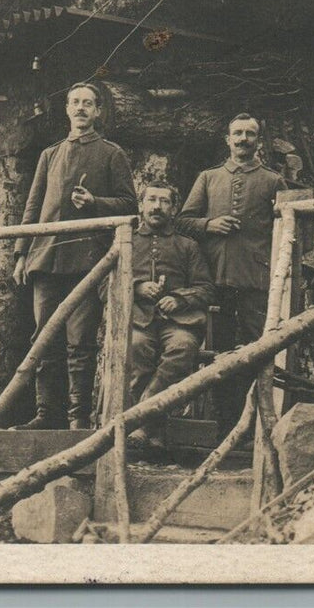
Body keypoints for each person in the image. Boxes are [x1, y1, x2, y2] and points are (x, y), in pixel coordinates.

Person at [13, 81, 136, 430]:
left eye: (87, 103)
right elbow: (33, 206)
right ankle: (45, 414)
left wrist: (95, 202)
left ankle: (77, 418)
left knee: (79, 343)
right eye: (75, 103)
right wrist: (22, 253)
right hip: (46, 259)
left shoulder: (112, 154)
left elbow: (130, 205)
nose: (80, 108)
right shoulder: (49, 154)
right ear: (67, 109)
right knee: (43, 339)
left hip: (87, 263)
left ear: (98, 111)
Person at [176, 113, 286, 429]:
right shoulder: (209, 178)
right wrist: (210, 224)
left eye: (249, 134)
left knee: (257, 349)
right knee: (218, 352)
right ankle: (223, 425)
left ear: (258, 141)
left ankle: (256, 425)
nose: (242, 139)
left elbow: (287, 230)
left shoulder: (272, 180)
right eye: (237, 133)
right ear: (227, 139)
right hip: (215, 279)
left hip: (256, 280)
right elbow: (183, 221)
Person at [126, 180, 214, 458]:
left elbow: (206, 288)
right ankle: (156, 432)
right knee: (138, 347)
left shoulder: (187, 246)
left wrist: (179, 299)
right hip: (138, 319)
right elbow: (105, 286)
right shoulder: (126, 242)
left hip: (179, 322)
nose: (157, 207)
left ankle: (140, 422)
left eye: (164, 201)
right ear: (141, 206)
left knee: (182, 348)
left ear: (174, 209)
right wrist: (137, 287)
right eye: (151, 200)